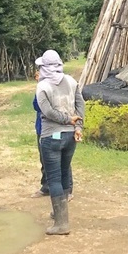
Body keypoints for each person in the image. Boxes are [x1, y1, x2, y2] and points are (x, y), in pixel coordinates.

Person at [35, 49, 84, 236]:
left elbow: (47, 112)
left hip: (51, 137)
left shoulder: (42, 87)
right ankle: (58, 214)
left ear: (44, 67)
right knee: (64, 174)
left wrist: (66, 119)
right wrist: (78, 126)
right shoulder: (72, 81)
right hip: (70, 137)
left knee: (53, 178)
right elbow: (80, 105)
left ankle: (61, 224)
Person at [32, 72, 73, 200]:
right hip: (43, 129)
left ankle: (67, 191)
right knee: (44, 159)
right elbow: (36, 105)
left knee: (62, 162)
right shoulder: (42, 88)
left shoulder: (60, 89)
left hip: (58, 129)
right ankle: (46, 187)